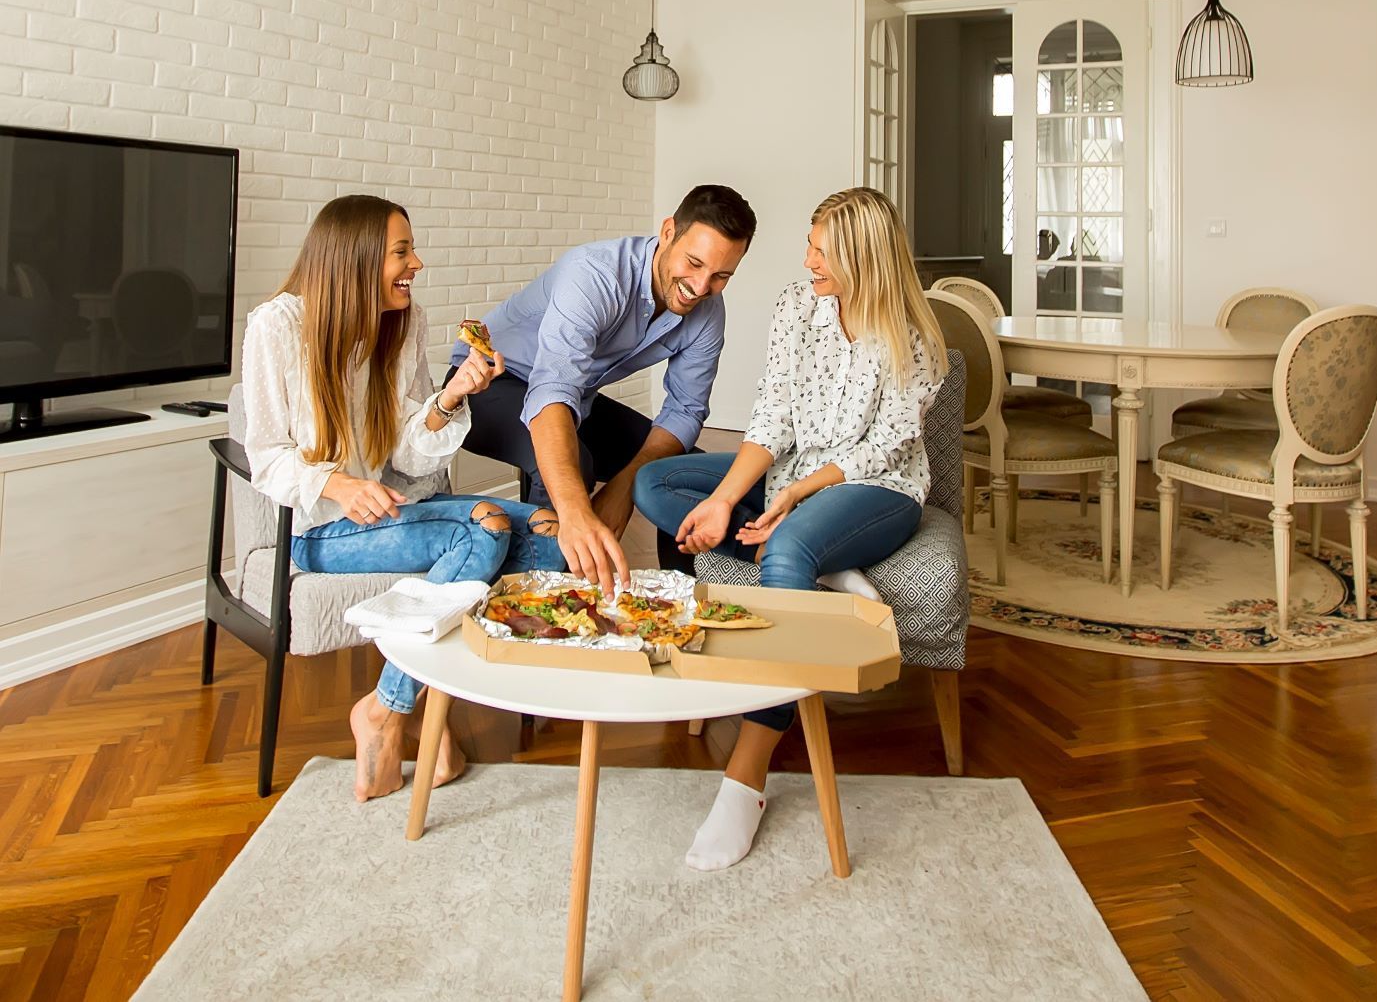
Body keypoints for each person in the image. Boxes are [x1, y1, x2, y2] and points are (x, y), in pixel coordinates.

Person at [633, 186, 947, 871]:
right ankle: (831, 570)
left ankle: (745, 783)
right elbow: (771, 417)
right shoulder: (796, 307)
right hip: (793, 477)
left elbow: (886, 446)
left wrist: (799, 497)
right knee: (656, 483)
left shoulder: (913, 338)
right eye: (809, 243)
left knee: (790, 546)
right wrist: (724, 499)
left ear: (864, 259)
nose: (807, 260)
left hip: (876, 488)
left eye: (821, 250)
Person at [240, 195, 564, 803]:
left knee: (554, 534)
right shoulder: (278, 326)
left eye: (411, 249)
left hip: (396, 512)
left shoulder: (403, 322)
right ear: (357, 258)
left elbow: (413, 456)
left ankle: (408, 702)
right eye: (401, 251)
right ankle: (392, 714)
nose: (416, 263)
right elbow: (265, 455)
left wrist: (453, 395)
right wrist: (336, 483)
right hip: (323, 533)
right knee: (486, 528)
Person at [454, 185, 757, 594]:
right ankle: (548, 605)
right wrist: (576, 511)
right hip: (485, 384)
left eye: (721, 276)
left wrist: (624, 486)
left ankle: (685, 601)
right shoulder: (595, 274)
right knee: (573, 468)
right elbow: (551, 391)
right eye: (694, 263)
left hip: (575, 396)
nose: (701, 286)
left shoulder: (707, 313)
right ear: (668, 231)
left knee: (689, 475)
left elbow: (685, 410)